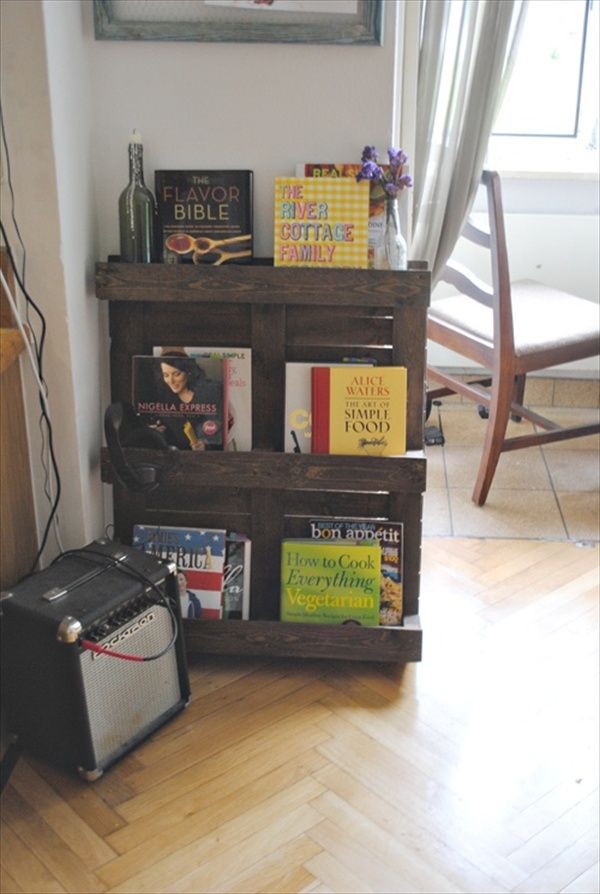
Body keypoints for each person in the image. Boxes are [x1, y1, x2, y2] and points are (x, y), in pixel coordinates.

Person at [151, 354, 225, 450]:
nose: (171, 381)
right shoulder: (164, 400)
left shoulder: (208, 394)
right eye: (166, 375)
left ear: (188, 372)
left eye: (176, 374)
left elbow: (219, 430)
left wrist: (206, 444)